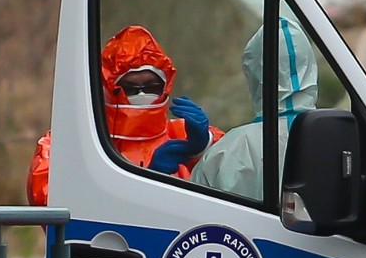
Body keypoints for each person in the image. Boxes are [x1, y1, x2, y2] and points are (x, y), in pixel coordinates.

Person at [27, 25, 223, 206]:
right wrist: (147, 179)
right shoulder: (67, 144)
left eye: (152, 86)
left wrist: (204, 147)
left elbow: (237, 178)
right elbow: (57, 206)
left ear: (166, 87)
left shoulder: (181, 133)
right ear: (107, 89)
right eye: (129, 88)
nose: (141, 94)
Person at [190, 17, 318, 200]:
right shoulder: (339, 140)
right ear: (311, 68)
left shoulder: (227, 151)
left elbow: (198, 215)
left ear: (254, 74)